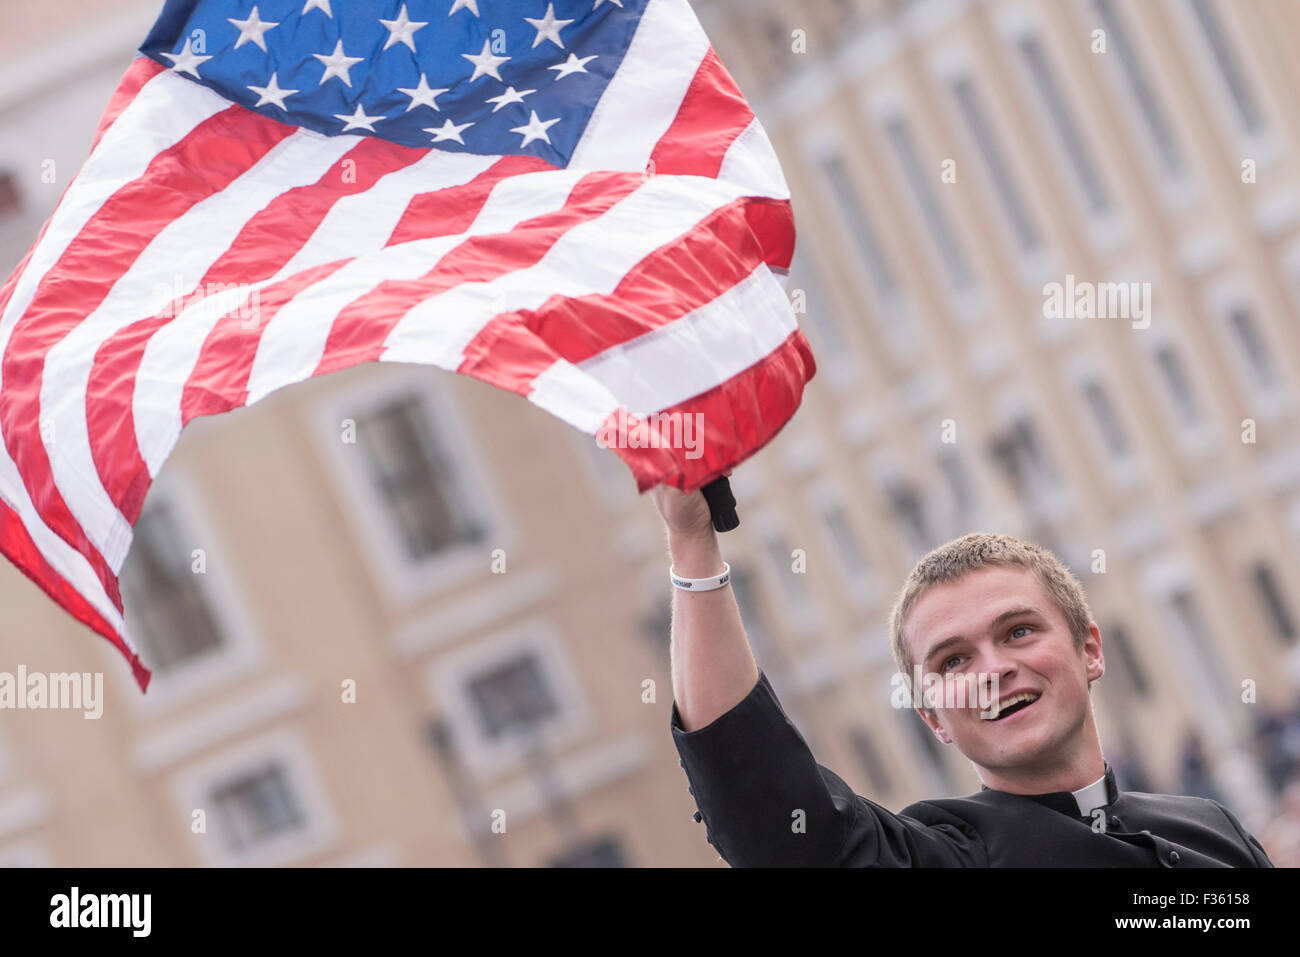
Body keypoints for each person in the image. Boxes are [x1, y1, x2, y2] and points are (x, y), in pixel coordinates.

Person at [652, 480, 1274, 867]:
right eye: (954, 661)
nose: (994, 669)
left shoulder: (1211, 830)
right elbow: (770, 813)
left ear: (1089, 650)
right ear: (933, 717)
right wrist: (693, 542)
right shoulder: (944, 858)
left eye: (1018, 632)